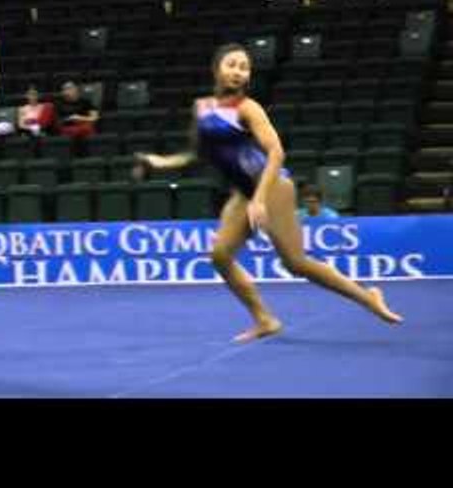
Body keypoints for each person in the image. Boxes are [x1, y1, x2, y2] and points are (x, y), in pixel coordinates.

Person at [133, 43, 402, 343]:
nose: (237, 72)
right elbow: (194, 154)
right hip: (244, 192)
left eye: (244, 67)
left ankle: (369, 297)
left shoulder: (248, 108)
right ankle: (264, 319)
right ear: (216, 68)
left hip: (272, 185)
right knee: (220, 255)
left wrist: (260, 199)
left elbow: (276, 152)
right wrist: (157, 162)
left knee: (296, 263)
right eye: (231, 64)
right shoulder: (202, 108)